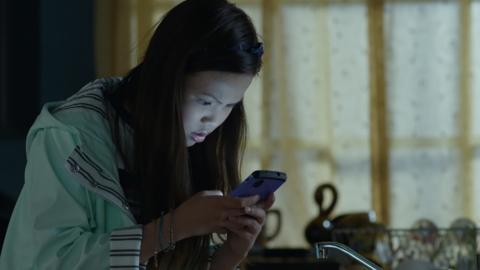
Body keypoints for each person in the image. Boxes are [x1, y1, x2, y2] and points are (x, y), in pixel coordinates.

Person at [0, 0, 275, 269]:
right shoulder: (70, 137)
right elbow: (46, 261)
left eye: (229, 105)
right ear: (165, 79)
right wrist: (173, 227)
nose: (213, 120)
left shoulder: (191, 142)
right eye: (205, 101)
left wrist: (230, 254)